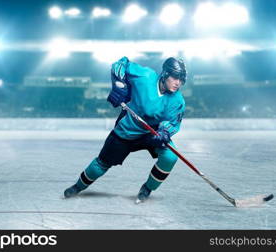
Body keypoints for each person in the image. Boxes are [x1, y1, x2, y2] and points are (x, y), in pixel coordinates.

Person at [64, 56, 186, 203]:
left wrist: (165, 132)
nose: (178, 83)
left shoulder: (177, 100)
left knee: (170, 156)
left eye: (181, 79)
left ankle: (147, 188)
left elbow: (172, 123)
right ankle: (78, 186)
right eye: (175, 77)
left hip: (151, 134)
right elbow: (120, 64)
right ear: (165, 74)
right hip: (127, 130)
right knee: (102, 163)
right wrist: (118, 85)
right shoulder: (145, 76)